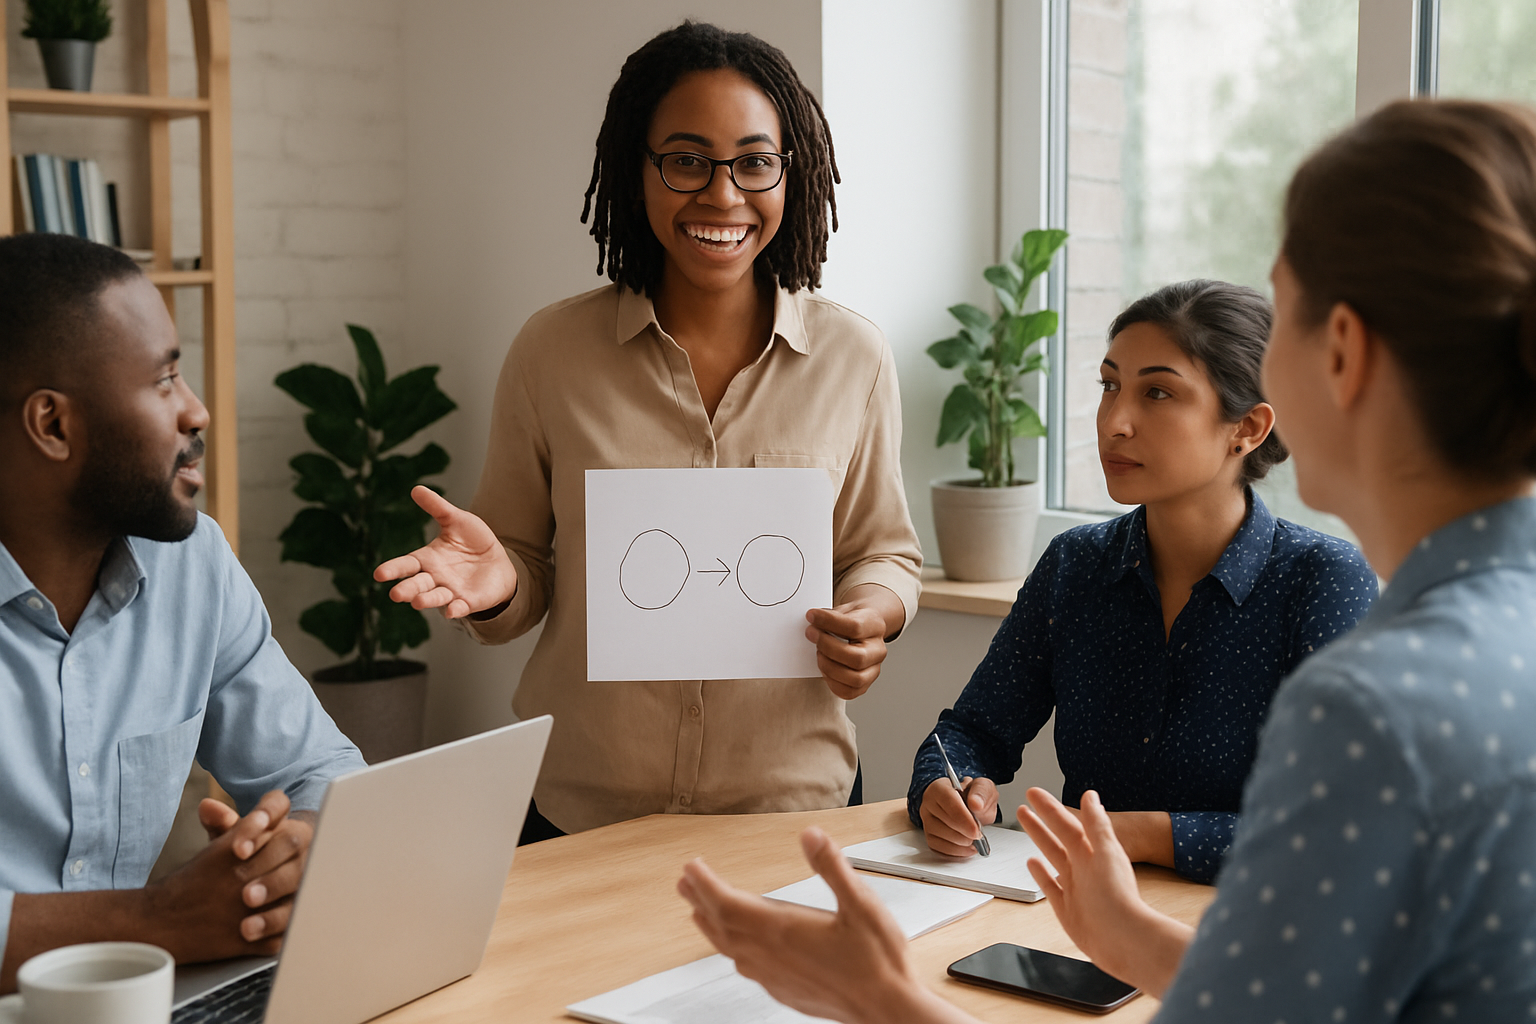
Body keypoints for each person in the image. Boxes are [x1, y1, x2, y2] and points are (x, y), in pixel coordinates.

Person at [677, 97, 1536, 1022]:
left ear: (1342, 354)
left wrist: (877, 999)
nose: (1118, 420)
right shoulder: (1501, 633)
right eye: (1110, 387)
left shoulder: (1371, 704)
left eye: (1282, 311)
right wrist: (1123, 933)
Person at [375, 22, 921, 840]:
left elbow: (884, 549)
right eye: (687, 159)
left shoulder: (855, 355)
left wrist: (872, 615)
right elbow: (521, 565)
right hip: (585, 811)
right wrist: (501, 582)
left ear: (789, 173)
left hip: (790, 809)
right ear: (639, 170)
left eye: (755, 161)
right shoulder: (550, 353)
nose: (723, 194)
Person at [913, 280, 1375, 882]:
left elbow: (1341, 828)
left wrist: (1144, 834)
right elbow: (969, 733)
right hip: (1069, 914)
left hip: (1243, 937)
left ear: (1250, 428)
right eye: (1110, 386)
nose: (1114, 422)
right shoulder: (1074, 564)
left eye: (1157, 392)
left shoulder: (1325, 581)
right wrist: (943, 791)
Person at [0, 234, 366, 993]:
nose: (196, 410)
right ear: (54, 426)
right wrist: (160, 921)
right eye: (164, 380)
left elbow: (324, 774)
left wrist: (288, 853)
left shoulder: (191, 565)